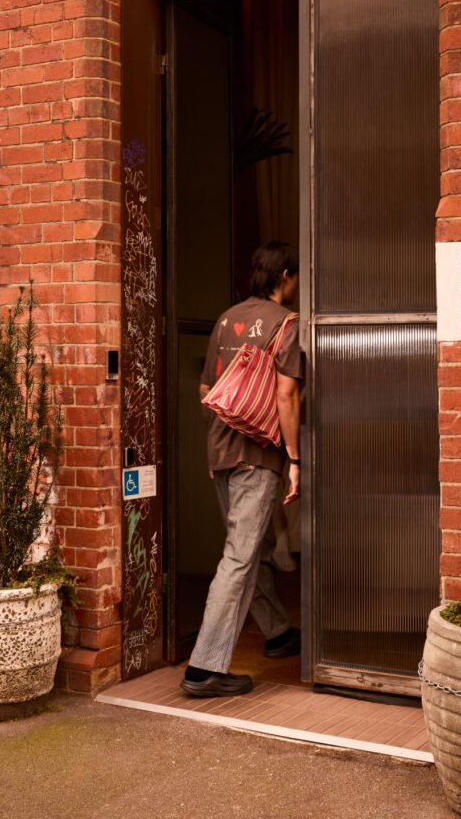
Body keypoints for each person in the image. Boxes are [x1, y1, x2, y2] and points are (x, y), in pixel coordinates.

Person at [180, 241, 303, 698]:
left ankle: (277, 632)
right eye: (295, 277)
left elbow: (206, 391)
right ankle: (204, 668)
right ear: (285, 276)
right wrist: (294, 459)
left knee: (252, 547)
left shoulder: (225, 319)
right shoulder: (287, 324)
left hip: (222, 453)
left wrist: (216, 451)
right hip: (259, 456)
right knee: (240, 555)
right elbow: (286, 396)